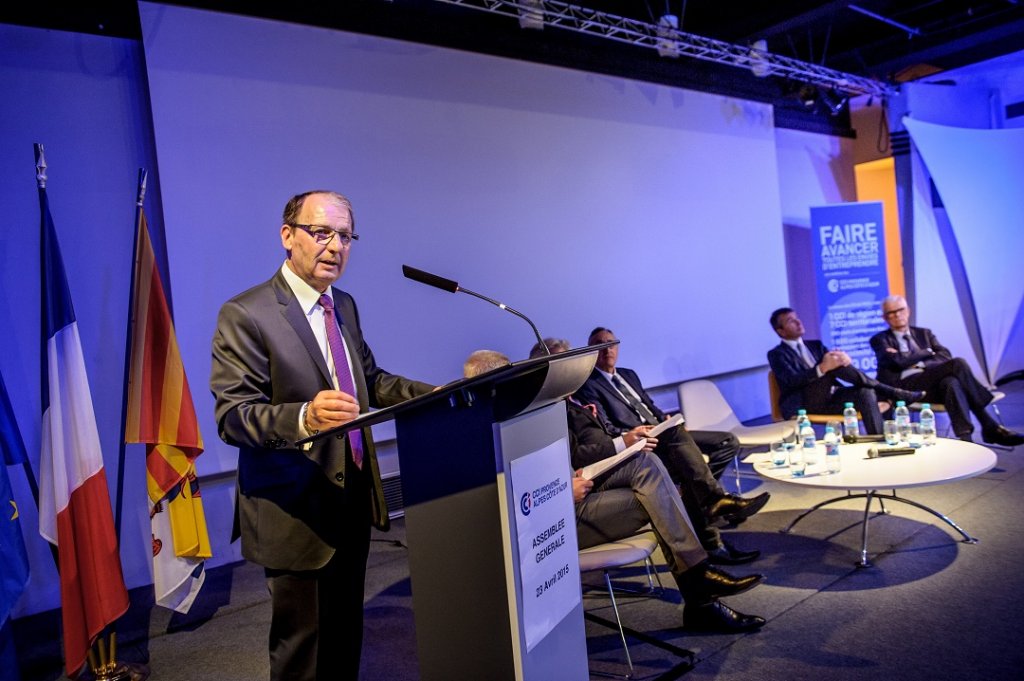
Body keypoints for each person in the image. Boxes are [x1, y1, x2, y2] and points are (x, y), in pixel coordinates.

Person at [210, 190, 434, 681]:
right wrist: (304, 418)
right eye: (321, 232)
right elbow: (233, 416)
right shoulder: (246, 313)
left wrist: (435, 393)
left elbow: (370, 381)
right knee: (302, 653)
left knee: (345, 636)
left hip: (350, 496)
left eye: (345, 236)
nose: (335, 246)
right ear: (288, 236)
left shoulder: (344, 305)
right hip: (294, 509)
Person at [466, 349, 767, 632]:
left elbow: (566, 457)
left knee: (647, 466)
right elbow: (501, 503)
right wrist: (560, 490)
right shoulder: (477, 433)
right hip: (546, 527)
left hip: (573, 499)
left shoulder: (524, 416)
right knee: (660, 496)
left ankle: (700, 582)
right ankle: (701, 593)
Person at [531, 337, 761, 566]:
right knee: (674, 473)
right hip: (603, 465)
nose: (607, 350)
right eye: (563, 365)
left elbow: (647, 405)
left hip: (633, 443)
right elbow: (582, 451)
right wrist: (628, 439)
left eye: (569, 362)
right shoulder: (568, 397)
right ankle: (709, 525)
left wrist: (662, 421)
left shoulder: (602, 385)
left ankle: (708, 542)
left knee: (693, 445)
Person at [871, 295, 1023, 446]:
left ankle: (966, 441)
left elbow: (944, 355)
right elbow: (897, 362)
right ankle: (989, 425)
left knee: (951, 382)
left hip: (932, 384)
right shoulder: (879, 339)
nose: (897, 315)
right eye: (891, 312)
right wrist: (927, 352)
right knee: (958, 364)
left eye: (900, 309)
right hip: (905, 387)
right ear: (885, 317)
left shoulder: (924, 333)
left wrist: (917, 362)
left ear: (908, 311)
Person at [767, 307, 923, 434]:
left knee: (864, 391)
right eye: (790, 321)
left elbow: (836, 368)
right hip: (804, 403)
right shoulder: (776, 354)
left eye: (797, 318)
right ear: (780, 331)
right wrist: (822, 368)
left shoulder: (816, 345)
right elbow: (791, 381)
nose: (798, 322)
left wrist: (843, 359)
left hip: (830, 398)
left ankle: (878, 439)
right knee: (832, 363)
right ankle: (891, 391)